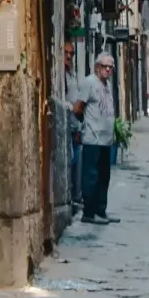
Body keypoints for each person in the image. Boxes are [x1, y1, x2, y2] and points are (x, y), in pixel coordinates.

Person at [75, 53, 120, 225]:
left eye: (110, 67)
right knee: (91, 177)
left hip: (105, 140)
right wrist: (85, 125)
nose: (108, 69)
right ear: (97, 67)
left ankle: (101, 210)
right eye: (104, 66)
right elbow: (78, 108)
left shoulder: (107, 85)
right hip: (92, 139)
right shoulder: (89, 83)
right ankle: (89, 213)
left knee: (104, 177)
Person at [63, 41, 85, 210]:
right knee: (71, 160)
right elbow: (62, 99)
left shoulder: (71, 74)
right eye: (66, 53)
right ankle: (71, 196)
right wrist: (72, 108)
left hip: (75, 124)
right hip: (67, 123)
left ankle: (76, 196)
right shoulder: (61, 75)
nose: (69, 56)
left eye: (71, 54)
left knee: (76, 161)